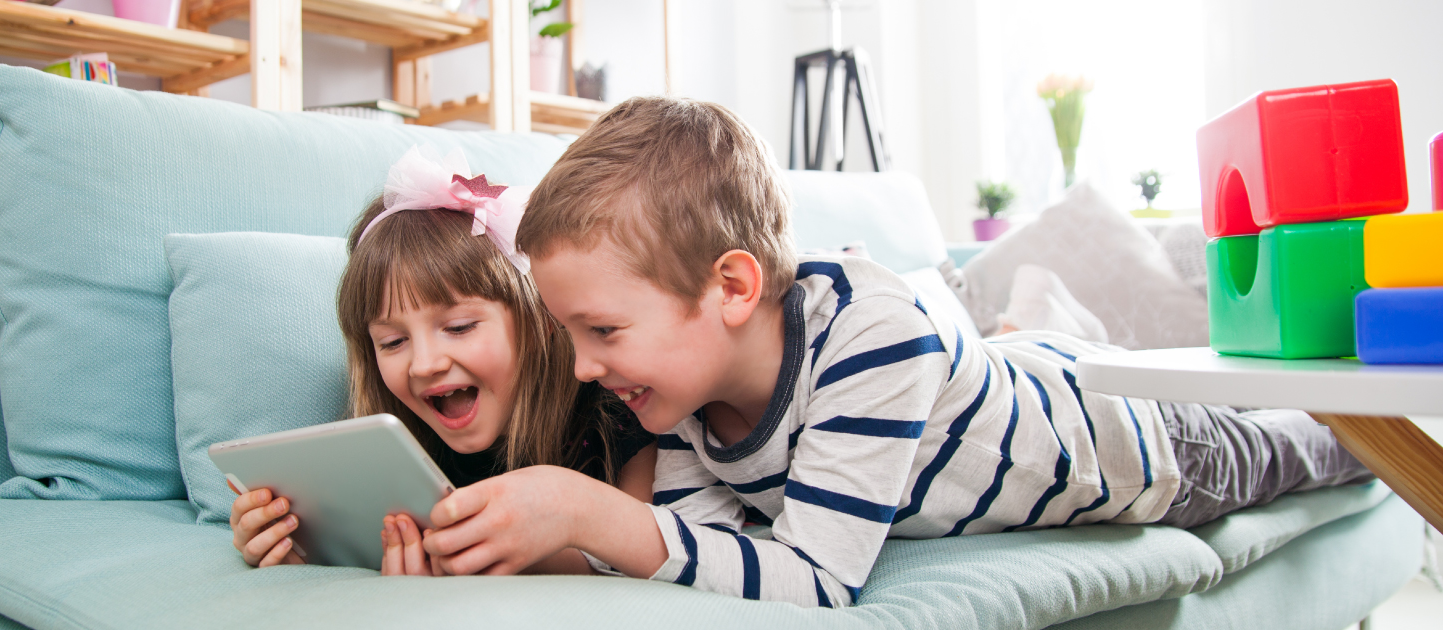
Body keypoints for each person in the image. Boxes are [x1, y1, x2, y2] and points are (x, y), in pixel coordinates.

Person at [413, 96, 1375, 607]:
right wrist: (510, 546)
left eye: (603, 332)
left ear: (734, 288)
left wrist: (585, 509)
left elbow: (821, 579)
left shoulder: (869, 336)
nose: (584, 368)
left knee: (1333, 444)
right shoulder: (686, 400)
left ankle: (1379, 424)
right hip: (1015, 389)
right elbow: (712, 559)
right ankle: (1036, 321)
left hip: (1137, 449)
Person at [226, 146, 656, 576]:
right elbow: (361, 539)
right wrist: (296, 540)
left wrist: (475, 558)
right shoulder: (394, 457)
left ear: (541, 319)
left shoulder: (621, 412)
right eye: (393, 342)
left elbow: (645, 554)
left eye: (459, 327)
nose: (424, 364)